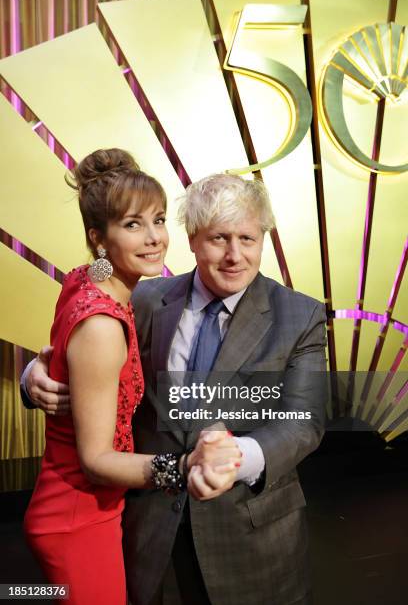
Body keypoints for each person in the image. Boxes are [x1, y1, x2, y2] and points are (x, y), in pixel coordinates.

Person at [23, 173, 327, 605]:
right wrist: (33, 378)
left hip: (249, 536)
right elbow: (84, 351)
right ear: (191, 237)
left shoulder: (300, 316)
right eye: (220, 238)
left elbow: (304, 421)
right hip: (143, 529)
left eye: (249, 237)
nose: (235, 255)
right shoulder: (142, 298)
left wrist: (232, 460)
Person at [21, 152, 240, 605]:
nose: (155, 237)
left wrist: (35, 369)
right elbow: (96, 459)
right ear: (99, 239)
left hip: (78, 507)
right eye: (133, 224)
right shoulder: (102, 326)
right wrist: (183, 468)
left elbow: (61, 355)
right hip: (77, 517)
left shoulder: (83, 279)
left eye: (158, 220)